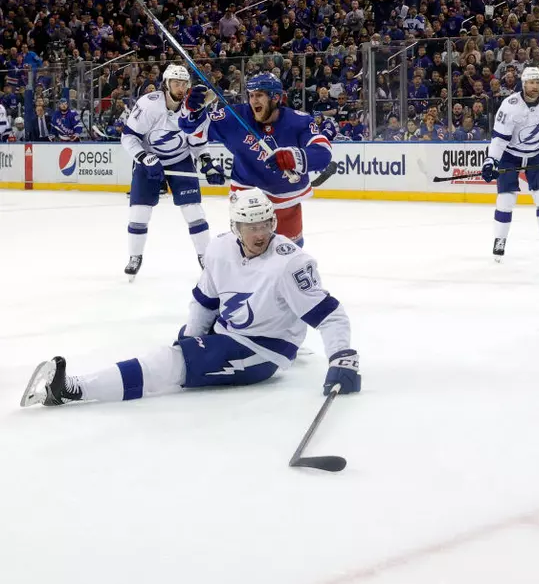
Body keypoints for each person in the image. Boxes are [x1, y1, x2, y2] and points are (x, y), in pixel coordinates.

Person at [20, 189, 360, 408]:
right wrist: (194, 337)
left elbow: (329, 315)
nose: (259, 234)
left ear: (273, 221)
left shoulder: (291, 262)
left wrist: (342, 357)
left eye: (265, 225)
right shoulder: (220, 248)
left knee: (167, 363)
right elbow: (206, 301)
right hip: (228, 333)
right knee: (176, 351)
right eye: (250, 226)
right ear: (235, 226)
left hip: (262, 351)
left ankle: (73, 389)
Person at [179, 73, 333, 247]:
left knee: (290, 250)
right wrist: (191, 110)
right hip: (246, 191)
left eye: (259, 95)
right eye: (251, 95)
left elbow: (323, 152)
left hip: (285, 193)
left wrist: (293, 157)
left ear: (275, 97)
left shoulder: (299, 121)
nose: (253, 101)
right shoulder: (235, 116)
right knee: (249, 250)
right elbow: (192, 129)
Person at [121, 64, 211, 279]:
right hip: (149, 160)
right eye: (176, 83)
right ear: (166, 84)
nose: (180, 88)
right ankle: (135, 256)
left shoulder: (195, 108)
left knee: (194, 211)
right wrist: (144, 157)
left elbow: (197, 142)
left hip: (180, 160)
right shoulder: (149, 105)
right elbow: (128, 136)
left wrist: (206, 161)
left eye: (183, 84)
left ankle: (205, 256)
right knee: (139, 212)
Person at [482, 66, 539, 261]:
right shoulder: (509, 105)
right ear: (524, 84)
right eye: (531, 82)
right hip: (510, 156)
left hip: (536, 155)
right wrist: (491, 160)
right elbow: (499, 139)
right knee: (505, 201)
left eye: (538, 82)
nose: (535, 86)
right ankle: (500, 239)